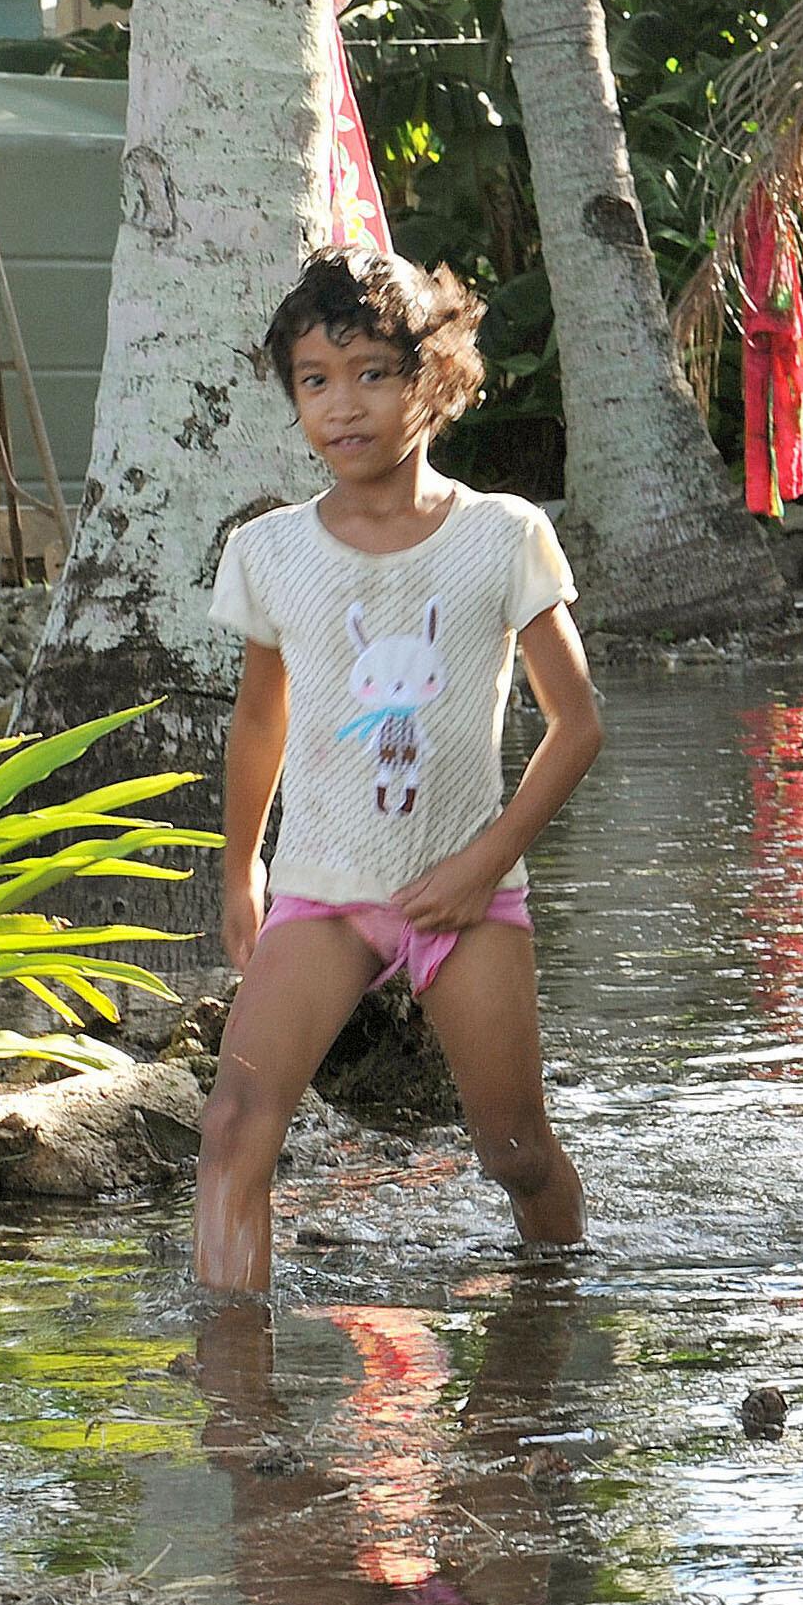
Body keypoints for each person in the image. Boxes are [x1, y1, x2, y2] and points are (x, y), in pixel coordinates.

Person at [192, 248, 602, 1295]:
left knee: (512, 1149)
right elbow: (258, 721)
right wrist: (241, 871)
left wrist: (483, 865)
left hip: (466, 905)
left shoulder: (501, 537)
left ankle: (555, 1316)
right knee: (234, 1129)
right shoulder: (270, 551)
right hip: (324, 897)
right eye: (314, 381)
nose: (342, 407)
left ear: (436, 379)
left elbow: (578, 724)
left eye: (372, 372)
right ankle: (238, 1403)